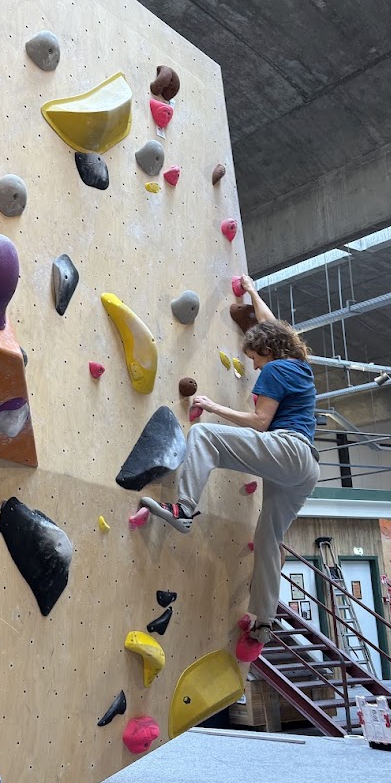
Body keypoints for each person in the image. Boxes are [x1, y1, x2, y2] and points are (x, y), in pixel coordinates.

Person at [140, 275, 320, 662]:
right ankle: (264, 623)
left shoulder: (273, 371)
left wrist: (214, 406)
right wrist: (252, 293)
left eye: (254, 358)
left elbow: (260, 423)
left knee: (204, 436)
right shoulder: (299, 366)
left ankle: (184, 510)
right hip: (305, 469)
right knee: (269, 539)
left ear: (267, 352)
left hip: (285, 450)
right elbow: (273, 328)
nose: (252, 365)